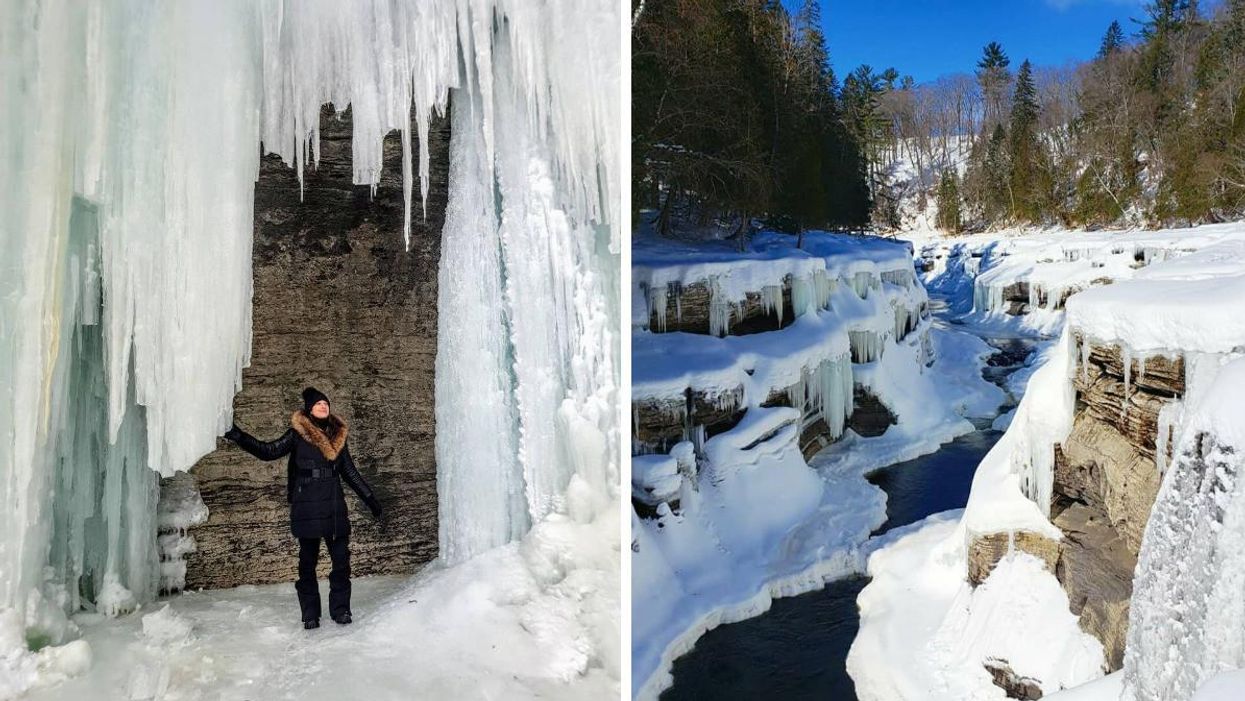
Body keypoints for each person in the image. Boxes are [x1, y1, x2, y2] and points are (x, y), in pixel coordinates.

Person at [223, 387, 382, 629]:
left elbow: (349, 472)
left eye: (325, 403)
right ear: (309, 409)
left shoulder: (338, 435)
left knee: (341, 561)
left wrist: (370, 499)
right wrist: (238, 435)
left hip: (333, 505)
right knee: (307, 563)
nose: (322, 406)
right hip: (307, 506)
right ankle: (310, 614)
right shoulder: (297, 434)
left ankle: (341, 611)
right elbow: (269, 451)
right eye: (318, 404)